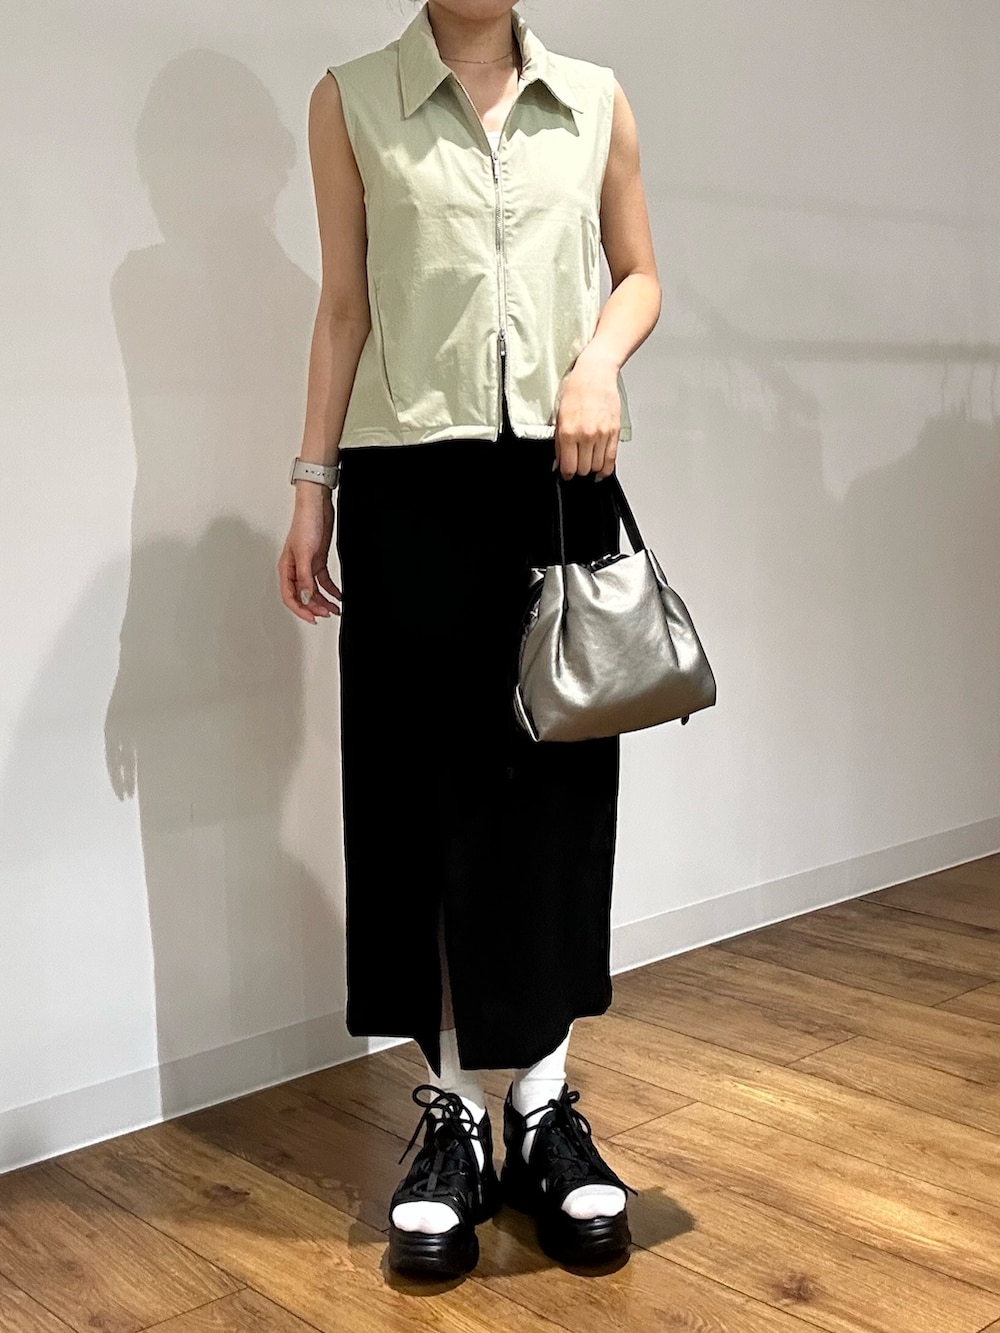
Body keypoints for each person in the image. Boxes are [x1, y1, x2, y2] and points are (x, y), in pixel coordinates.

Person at [278, 0, 661, 1279]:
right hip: (406, 490)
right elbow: (344, 305)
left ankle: (543, 1108)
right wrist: (311, 486)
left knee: (553, 797)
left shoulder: (594, 100)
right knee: (416, 798)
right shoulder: (349, 100)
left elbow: (640, 272)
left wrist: (596, 364)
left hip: (558, 477)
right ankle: (449, 1116)